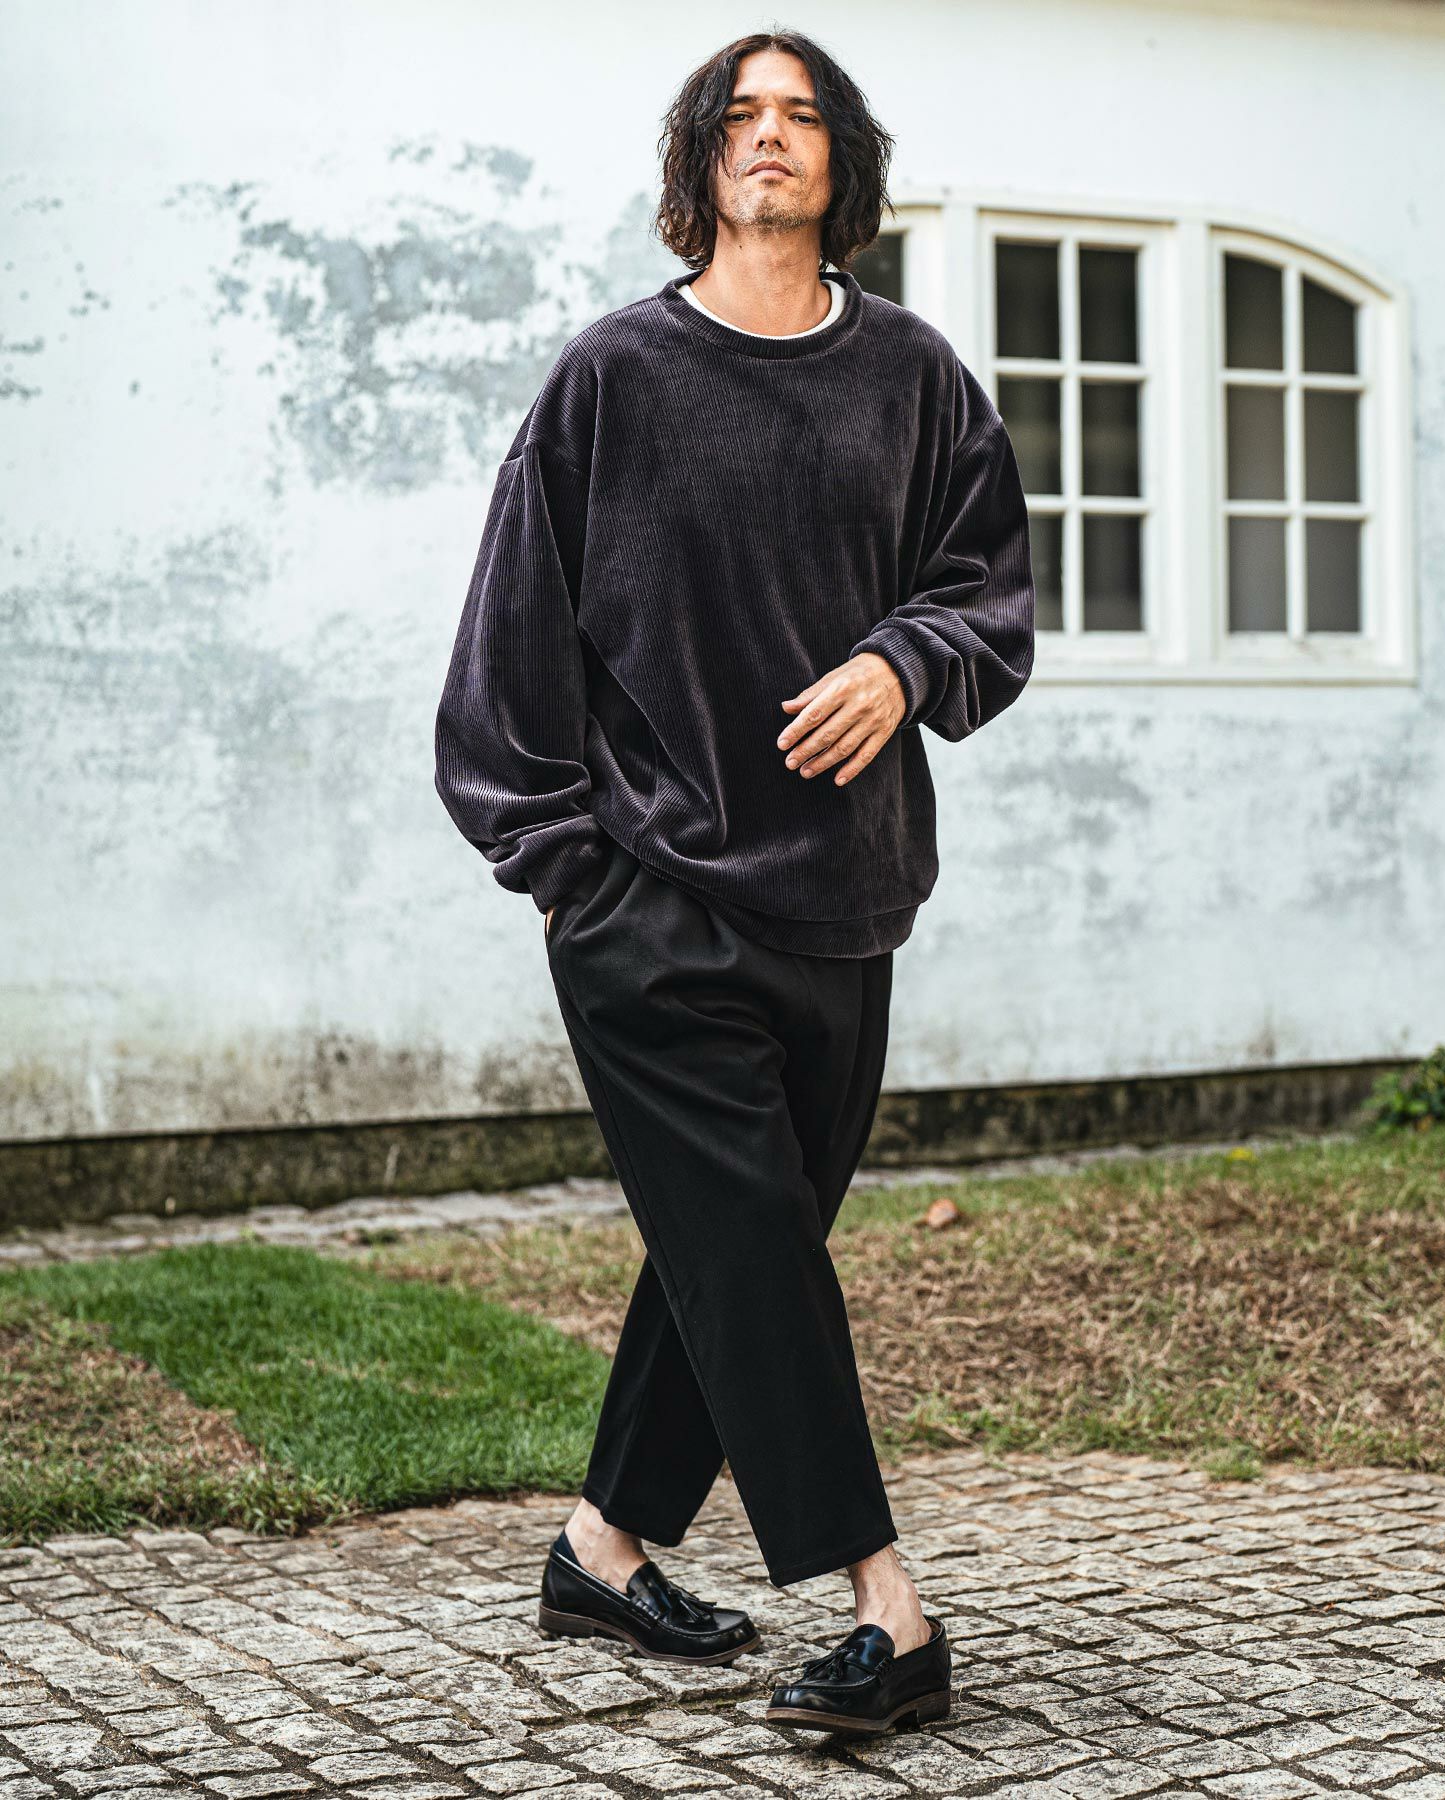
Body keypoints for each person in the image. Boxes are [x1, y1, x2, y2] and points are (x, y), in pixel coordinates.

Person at [433, 27, 1035, 1735]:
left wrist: (907, 664)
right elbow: (505, 656)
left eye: (804, 115)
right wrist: (572, 875)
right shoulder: (612, 378)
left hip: (849, 902)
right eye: (742, 115)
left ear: (844, 162)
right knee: (760, 1253)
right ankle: (889, 1613)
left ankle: (600, 1547)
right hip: (650, 907)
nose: (773, 136)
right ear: (702, 157)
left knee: (733, 1245)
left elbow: (990, 594)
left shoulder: (914, 377)